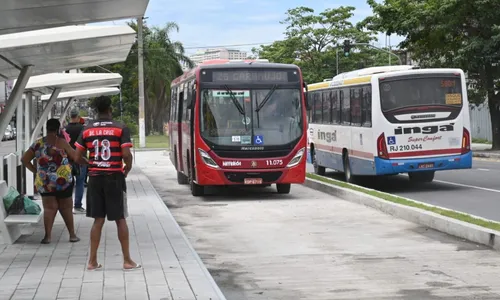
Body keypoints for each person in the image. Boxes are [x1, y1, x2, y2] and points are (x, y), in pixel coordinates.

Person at [74, 96, 140, 271]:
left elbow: (76, 156)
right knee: (120, 218)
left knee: (98, 220)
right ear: (110, 110)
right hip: (114, 177)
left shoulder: (86, 130)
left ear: (96, 111)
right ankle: (127, 260)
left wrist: (90, 164)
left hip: (95, 178)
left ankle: (92, 261)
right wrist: (127, 168)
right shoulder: (120, 128)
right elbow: (126, 154)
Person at [21, 118, 87, 244]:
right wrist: (88, 162)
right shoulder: (61, 142)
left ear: (46, 129)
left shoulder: (37, 143)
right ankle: (72, 235)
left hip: (45, 182)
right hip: (63, 182)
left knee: (49, 208)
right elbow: (75, 157)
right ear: (58, 129)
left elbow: (24, 159)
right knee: (66, 207)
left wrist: (36, 171)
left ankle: (47, 237)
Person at [65, 108, 87, 214]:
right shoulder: (83, 129)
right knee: (80, 183)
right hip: (80, 159)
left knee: (68, 183)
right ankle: (77, 206)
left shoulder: (65, 129)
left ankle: (68, 206)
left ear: (70, 117)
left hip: (67, 160)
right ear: (78, 117)